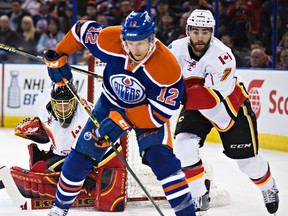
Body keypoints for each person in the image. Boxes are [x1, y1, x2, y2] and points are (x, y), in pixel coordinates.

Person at [43, 11, 196, 216]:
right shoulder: (109, 39)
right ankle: (58, 209)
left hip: (148, 113)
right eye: (130, 42)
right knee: (80, 157)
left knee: (161, 160)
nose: (135, 49)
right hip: (110, 105)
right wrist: (59, 55)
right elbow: (80, 30)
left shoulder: (167, 67)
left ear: (152, 39)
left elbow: (162, 112)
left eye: (141, 43)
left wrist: (124, 119)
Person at [168, 9, 279, 214]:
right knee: (183, 144)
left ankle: (268, 186)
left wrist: (174, 97)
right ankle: (199, 194)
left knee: (247, 164)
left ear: (212, 32)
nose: (199, 37)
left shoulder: (223, 57)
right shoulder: (175, 49)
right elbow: (159, 75)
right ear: (187, 31)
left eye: (204, 32)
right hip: (196, 106)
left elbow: (211, 98)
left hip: (229, 107)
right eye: (195, 31)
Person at [11, 84, 126, 212]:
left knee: (45, 173)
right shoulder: (42, 101)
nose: (63, 109)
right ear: (52, 103)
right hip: (62, 152)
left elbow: (87, 154)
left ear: (74, 103)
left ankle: (84, 185)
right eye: (59, 104)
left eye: (66, 104)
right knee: (40, 165)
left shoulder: (86, 118)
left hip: (85, 155)